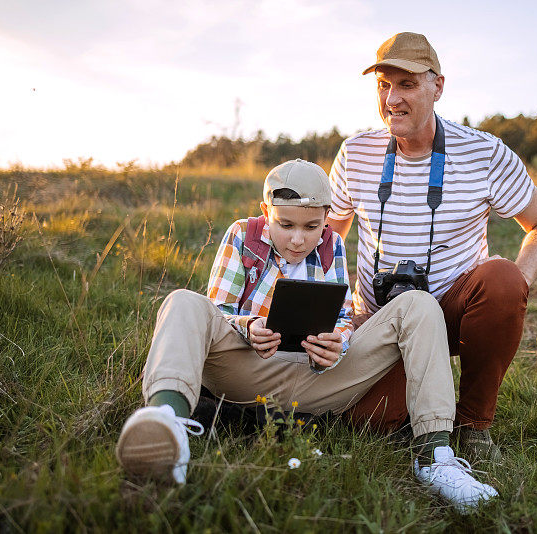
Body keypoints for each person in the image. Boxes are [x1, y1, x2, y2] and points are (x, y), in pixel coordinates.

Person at [115, 159, 498, 511]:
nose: (299, 239)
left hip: (322, 380)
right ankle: (167, 424)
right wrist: (249, 327)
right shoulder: (241, 236)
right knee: (183, 301)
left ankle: (435, 458)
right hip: (248, 371)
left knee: (419, 303)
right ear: (267, 214)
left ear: (326, 220)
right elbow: (218, 312)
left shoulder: (333, 246)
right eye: (286, 225)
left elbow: (345, 316)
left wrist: (337, 342)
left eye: (311, 227)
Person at [328, 33, 537, 462]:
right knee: (372, 422)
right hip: (382, 322)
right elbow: (328, 237)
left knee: (503, 280)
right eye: (384, 84)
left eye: (407, 84)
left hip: (455, 315)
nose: (392, 99)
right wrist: (343, 313)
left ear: (438, 87)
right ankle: (410, 395)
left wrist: (520, 288)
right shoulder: (355, 152)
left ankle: (474, 425)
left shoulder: (484, 152)